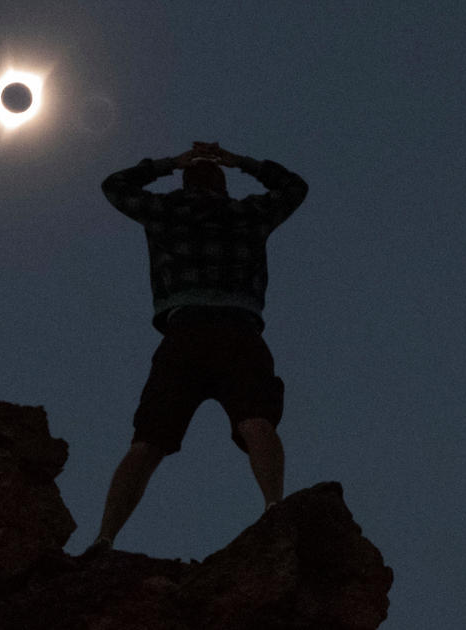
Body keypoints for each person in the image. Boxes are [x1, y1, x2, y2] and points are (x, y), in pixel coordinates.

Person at [88, 142, 308, 553]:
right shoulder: (248, 214)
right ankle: (274, 506)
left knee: (148, 441)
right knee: (256, 419)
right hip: (239, 331)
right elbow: (294, 187)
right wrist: (242, 160)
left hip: (184, 331)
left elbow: (115, 185)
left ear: (187, 180)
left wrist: (170, 163)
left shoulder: (166, 211)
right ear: (222, 184)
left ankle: (104, 538)